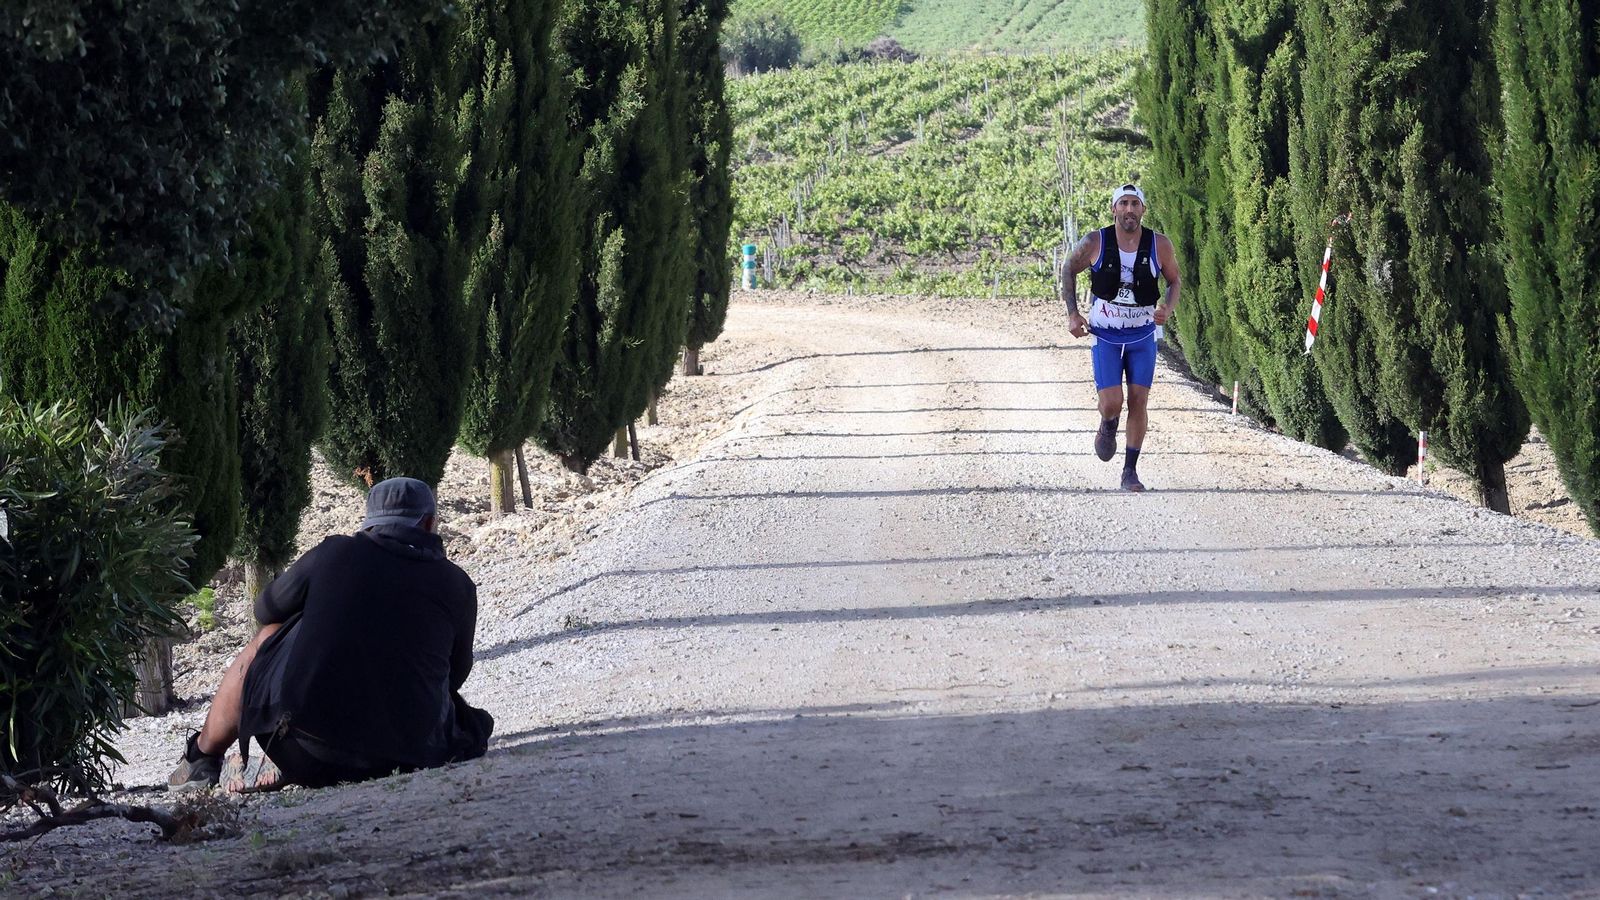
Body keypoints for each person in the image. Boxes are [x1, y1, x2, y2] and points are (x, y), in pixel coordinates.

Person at [169, 477, 492, 791]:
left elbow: (265, 610)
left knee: (270, 633)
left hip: (307, 755)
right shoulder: (457, 583)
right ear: (429, 522)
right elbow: (456, 673)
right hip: (413, 754)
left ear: (369, 521)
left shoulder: (334, 553)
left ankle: (203, 757)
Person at [1062, 183, 1182, 491]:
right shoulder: (1095, 242)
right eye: (1124, 203)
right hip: (1106, 335)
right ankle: (1108, 422)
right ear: (1114, 209)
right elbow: (1068, 268)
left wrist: (1167, 308)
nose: (1129, 209)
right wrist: (1073, 314)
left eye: (1135, 204)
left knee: (1140, 401)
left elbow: (1174, 280)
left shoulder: (1160, 245)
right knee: (1113, 402)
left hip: (1142, 336)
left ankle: (1130, 471)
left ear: (1143, 210)